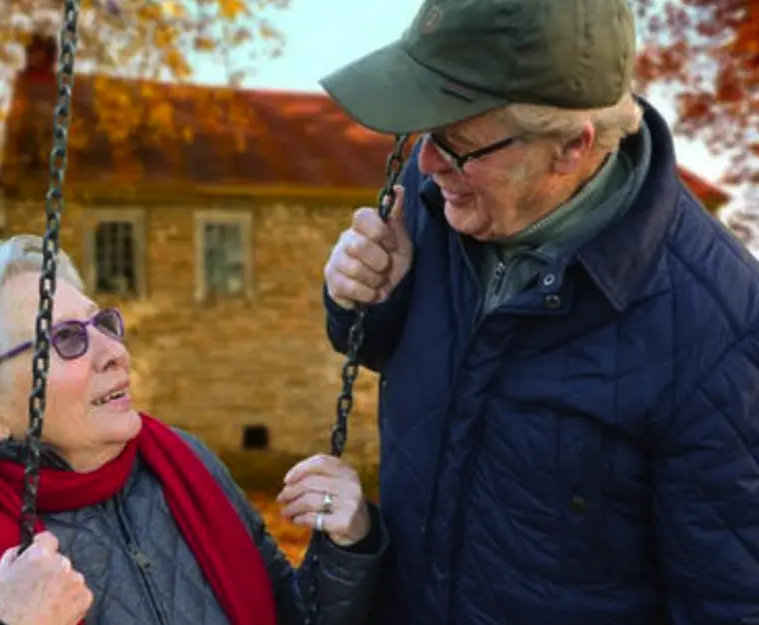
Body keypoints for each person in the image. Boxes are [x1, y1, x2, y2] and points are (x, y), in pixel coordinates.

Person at [318, 0, 759, 623]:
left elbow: (731, 600)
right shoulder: (433, 204)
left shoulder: (721, 332)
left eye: (457, 144)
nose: (426, 164)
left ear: (570, 148)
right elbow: (382, 348)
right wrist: (361, 300)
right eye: (422, 132)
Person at [0, 234, 388, 625]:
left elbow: (292, 616)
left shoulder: (185, 465)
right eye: (66, 338)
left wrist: (346, 545)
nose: (114, 352)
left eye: (103, 324)